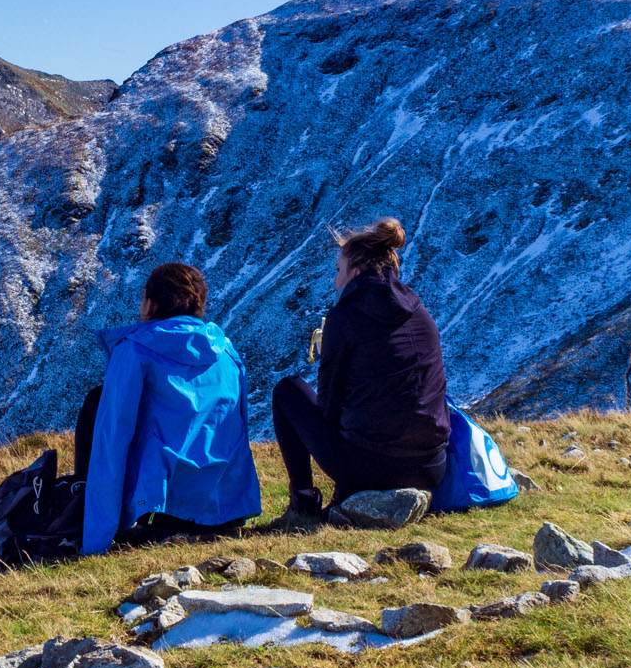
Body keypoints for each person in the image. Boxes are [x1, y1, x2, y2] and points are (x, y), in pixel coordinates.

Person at [271, 218, 451, 524]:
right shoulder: (420, 312)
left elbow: (328, 408)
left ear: (356, 272)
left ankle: (303, 503)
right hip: (431, 466)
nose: (335, 281)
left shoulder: (345, 317)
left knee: (287, 391)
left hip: (373, 468)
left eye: (338, 271)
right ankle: (342, 495)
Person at [75, 262, 262, 555]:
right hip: (228, 510)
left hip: (161, 514)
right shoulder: (226, 351)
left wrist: (94, 541)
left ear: (150, 304)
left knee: (97, 403)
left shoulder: (135, 350)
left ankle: (80, 510)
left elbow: (112, 442)